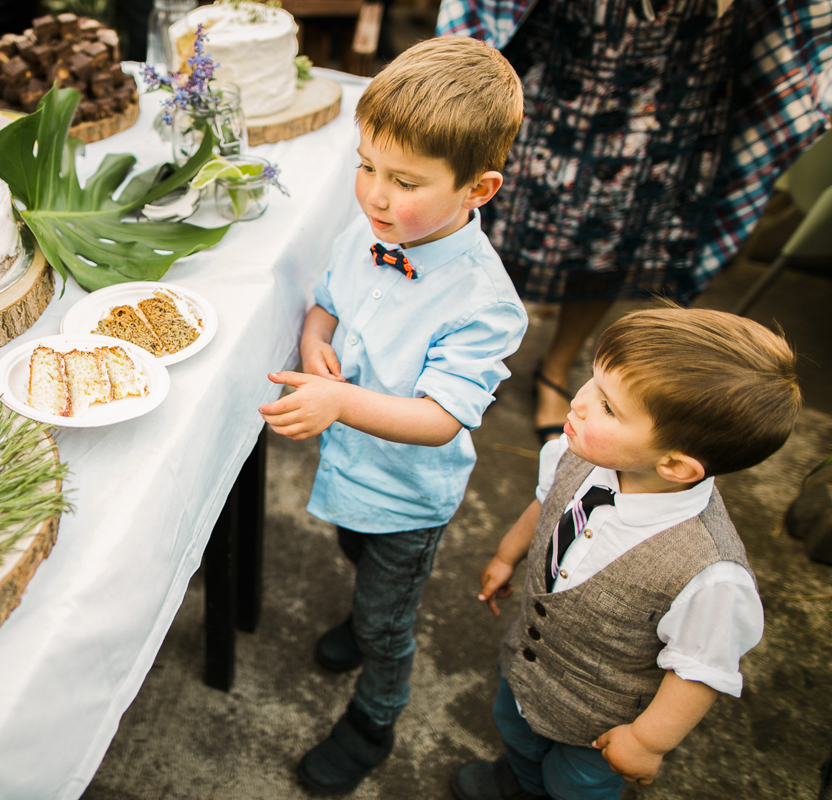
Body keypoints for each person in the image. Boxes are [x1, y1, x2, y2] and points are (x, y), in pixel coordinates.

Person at [257, 35, 528, 795]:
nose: (375, 194)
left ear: (479, 189)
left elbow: (442, 418)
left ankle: (375, 719)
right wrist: (316, 338)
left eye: (405, 180)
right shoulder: (372, 230)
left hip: (408, 496)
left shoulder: (483, 304)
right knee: (351, 548)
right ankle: (360, 617)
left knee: (388, 621)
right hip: (350, 467)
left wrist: (339, 400)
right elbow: (328, 302)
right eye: (366, 166)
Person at [437, 0, 831, 443]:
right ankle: (475, 359)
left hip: (683, 76)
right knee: (504, 224)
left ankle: (557, 364)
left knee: (617, 242)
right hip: (580, 64)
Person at [450, 307, 801, 800]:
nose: (577, 402)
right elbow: (547, 501)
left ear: (676, 465)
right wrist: (509, 554)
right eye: (592, 382)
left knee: (572, 786)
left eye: (609, 407)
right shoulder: (581, 454)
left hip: (600, 726)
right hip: (529, 670)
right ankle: (519, 780)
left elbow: (698, 670)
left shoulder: (709, 574)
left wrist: (645, 742)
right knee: (515, 731)